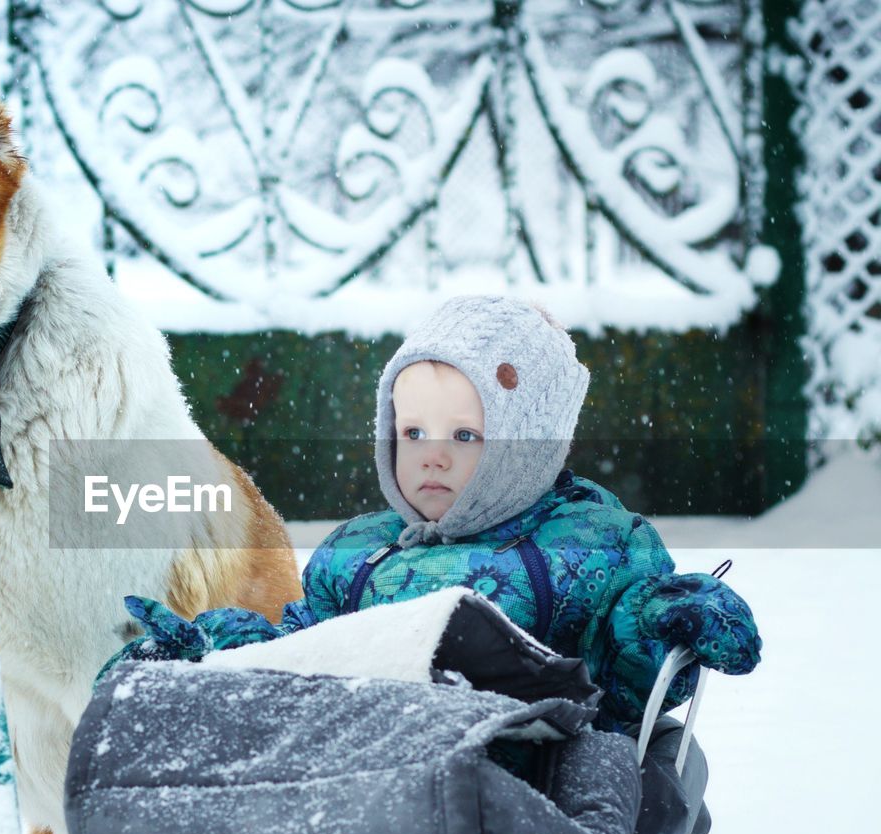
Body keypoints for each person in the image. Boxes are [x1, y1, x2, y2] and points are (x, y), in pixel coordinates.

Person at [100, 294, 761, 739]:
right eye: (414, 432)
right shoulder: (357, 553)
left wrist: (663, 620)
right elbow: (299, 653)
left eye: (466, 436)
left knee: (606, 768)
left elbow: (622, 668)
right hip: (373, 769)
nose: (433, 457)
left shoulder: (592, 542)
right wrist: (211, 652)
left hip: (523, 770)